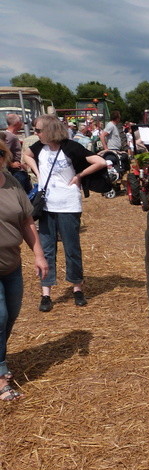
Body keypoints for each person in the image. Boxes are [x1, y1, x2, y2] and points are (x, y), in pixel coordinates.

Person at [22, 114, 106, 311]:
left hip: (68, 205)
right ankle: (46, 293)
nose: (36, 134)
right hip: (46, 206)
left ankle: (77, 288)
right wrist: (38, 172)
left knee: (72, 248)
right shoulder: (38, 147)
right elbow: (26, 155)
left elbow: (100, 162)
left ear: (50, 130)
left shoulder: (71, 147)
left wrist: (79, 175)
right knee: (46, 249)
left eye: (39, 130)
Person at [0, 138, 48, 400]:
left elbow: (27, 220)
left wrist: (39, 254)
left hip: (12, 264)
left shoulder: (12, 182)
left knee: (11, 315)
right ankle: (1, 377)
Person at [2, 114, 32, 193]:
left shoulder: (8, 135)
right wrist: (11, 164)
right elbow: (3, 152)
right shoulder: (11, 137)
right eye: (21, 121)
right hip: (15, 171)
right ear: (17, 123)